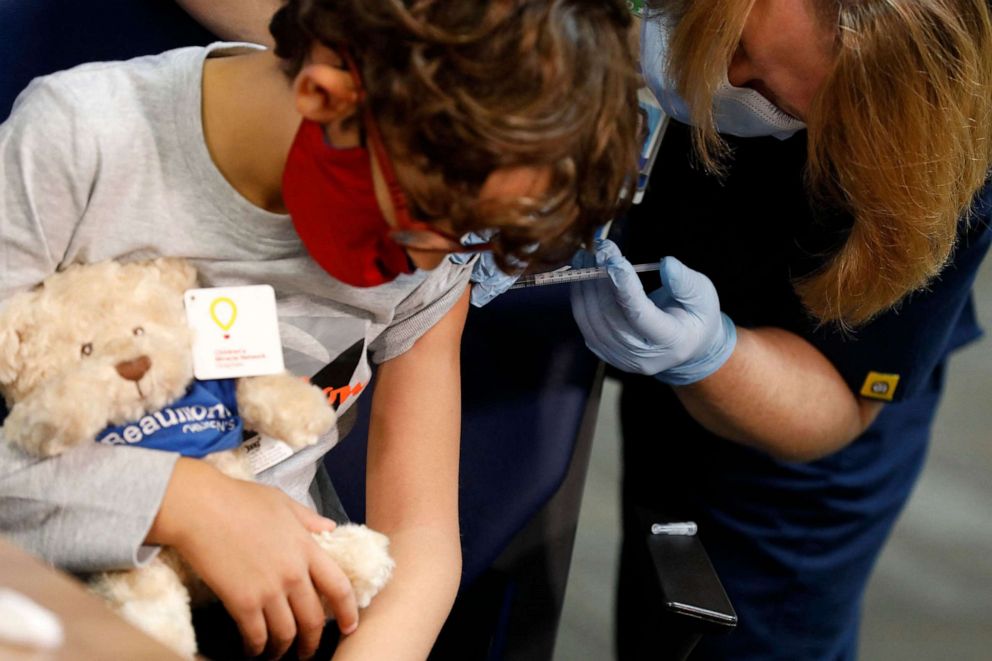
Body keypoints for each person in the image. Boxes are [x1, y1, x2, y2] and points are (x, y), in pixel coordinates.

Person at [0, 1, 639, 659]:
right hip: (46, 600)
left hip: (264, 621)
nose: (429, 264)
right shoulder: (82, 141)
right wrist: (185, 501)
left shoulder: (440, 250)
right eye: (425, 219)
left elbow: (420, 541)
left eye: (469, 233)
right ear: (323, 95)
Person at [566, 0, 992, 659]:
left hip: (790, 404)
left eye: (768, 90)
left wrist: (708, 355)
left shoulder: (934, 132)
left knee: (711, 633)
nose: (721, 79)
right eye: (729, 36)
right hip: (654, 252)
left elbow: (835, 398)